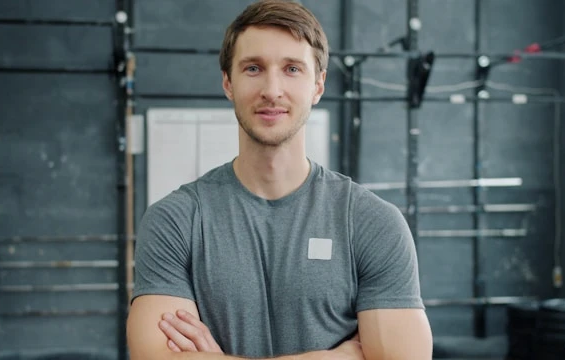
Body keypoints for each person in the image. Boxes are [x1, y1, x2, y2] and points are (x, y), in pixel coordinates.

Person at [126, 0, 433, 359]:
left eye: (292, 69)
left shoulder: (371, 222)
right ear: (228, 82)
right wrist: (340, 356)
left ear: (318, 85)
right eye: (253, 68)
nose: (272, 89)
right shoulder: (175, 221)